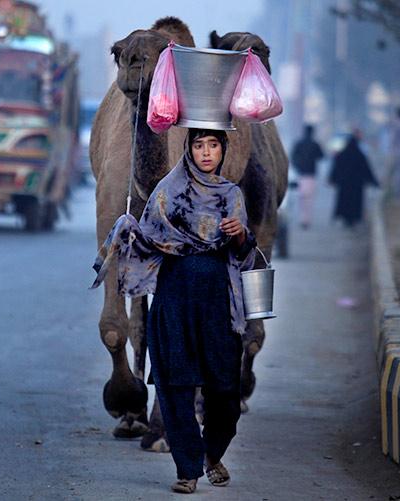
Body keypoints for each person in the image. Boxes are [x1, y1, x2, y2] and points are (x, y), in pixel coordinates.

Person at [92, 129, 257, 494]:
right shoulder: (166, 192)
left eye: (213, 145)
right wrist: (128, 230)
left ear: (223, 150)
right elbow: (150, 241)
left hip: (218, 302)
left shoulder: (231, 196)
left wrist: (240, 234)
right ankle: (187, 470)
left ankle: (212, 454)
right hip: (174, 299)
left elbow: (244, 255)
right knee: (175, 385)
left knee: (226, 390)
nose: (206, 152)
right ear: (189, 149)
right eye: (199, 145)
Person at [328, 129, 379, 227]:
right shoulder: (359, 155)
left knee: (345, 202)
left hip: (344, 184)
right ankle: (352, 220)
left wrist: (332, 179)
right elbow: (366, 170)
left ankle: (346, 219)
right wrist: (374, 182)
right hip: (356, 185)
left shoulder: (342, 154)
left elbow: (335, 168)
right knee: (354, 203)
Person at [290, 124, 324, 229]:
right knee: (309, 199)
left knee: (302, 198)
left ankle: (303, 218)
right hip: (311, 174)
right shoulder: (315, 144)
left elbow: (293, 156)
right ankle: (306, 219)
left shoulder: (299, 143)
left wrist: (297, 165)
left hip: (301, 174)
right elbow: (322, 156)